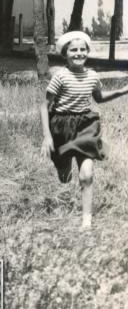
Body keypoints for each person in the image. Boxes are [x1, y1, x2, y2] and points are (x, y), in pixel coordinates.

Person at [40, 31, 128, 229]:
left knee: (86, 175)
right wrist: (47, 136)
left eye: (82, 50)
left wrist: (123, 90)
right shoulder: (60, 77)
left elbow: (99, 98)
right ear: (65, 54)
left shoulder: (92, 76)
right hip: (60, 128)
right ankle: (62, 167)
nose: (78, 54)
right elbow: (44, 106)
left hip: (86, 126)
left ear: (87, 52)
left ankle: (86, 222)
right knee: (64, 177)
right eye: (73, 50)